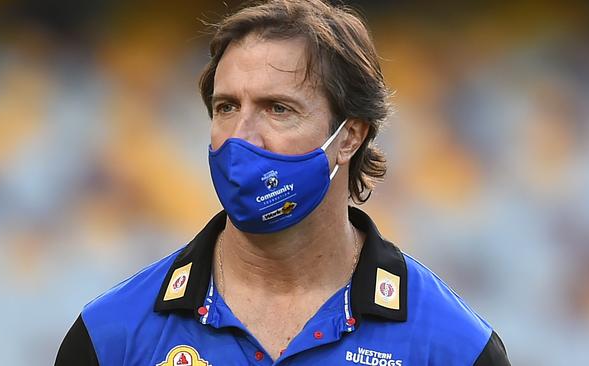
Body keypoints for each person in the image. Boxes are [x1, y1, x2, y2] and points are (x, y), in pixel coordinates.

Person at [56, 0, 510, 365]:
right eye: (227, 107)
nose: (241, 137)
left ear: (349, 135)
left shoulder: (455, 348)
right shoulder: (109, 336)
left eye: (278, 108)